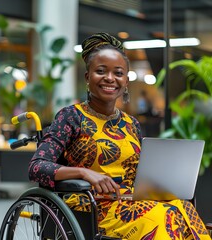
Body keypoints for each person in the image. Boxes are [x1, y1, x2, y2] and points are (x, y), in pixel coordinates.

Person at [28, 32, 211, 239]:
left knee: (181, 208)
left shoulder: (131, 123)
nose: (109, 78)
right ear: (88, 77)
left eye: (118, 73)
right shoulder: (71, 116)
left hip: (133, 201)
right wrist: (83, 173)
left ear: (125, 81)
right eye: (101, 71)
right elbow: (37, 167)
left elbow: (140, 171)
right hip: (92, 209)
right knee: (164, 216)